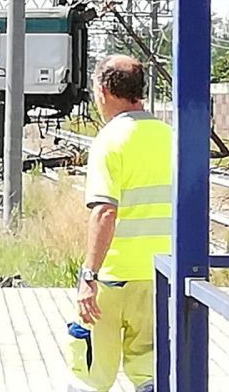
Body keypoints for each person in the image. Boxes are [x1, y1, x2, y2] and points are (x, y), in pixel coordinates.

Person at [66, 55, 171, 392]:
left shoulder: (111, 140)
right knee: (149, 371)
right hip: (159, 274)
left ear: (105, 90)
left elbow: (104, 212)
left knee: (90, 371)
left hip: (112, 279)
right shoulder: (170, 136)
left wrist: (88, 276)